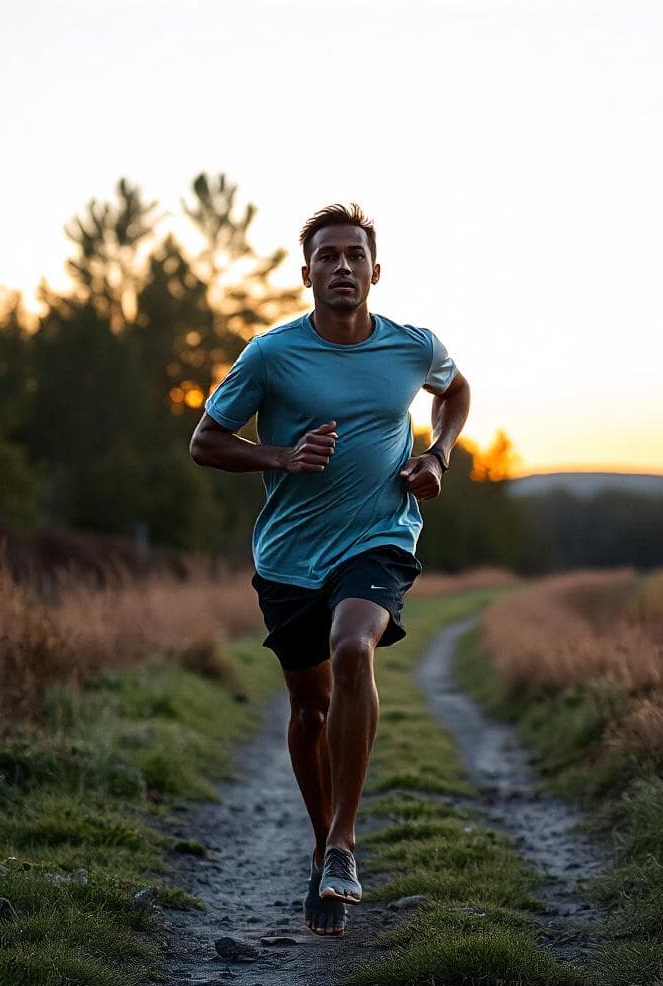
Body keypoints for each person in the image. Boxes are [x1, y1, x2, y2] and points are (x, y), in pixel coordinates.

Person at [189, 204, 471, 937]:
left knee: (355, 648)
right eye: (328, 256)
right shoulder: (272, 356)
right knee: (310, 711)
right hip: (287, 556)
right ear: (306, 271)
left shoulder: (412, 348)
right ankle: (320, 843)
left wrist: (437, 455)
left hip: (379, 537)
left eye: (355, 256)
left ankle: (343, 842)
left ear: (376, 272)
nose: (342, 267)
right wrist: (279, 457)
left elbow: (457, 391)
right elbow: (204, 440)